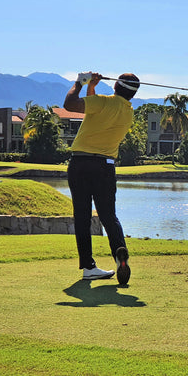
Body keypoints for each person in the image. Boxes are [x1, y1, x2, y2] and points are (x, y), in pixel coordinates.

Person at [63, 71, 139, 284]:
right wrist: (92, 88)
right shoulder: (128, 111)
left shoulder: (103, 102)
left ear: (115, 85)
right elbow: (93, 112)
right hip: (105, 167)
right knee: (108, 216)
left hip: (80, 164)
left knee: (82, 216)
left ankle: (88, 266)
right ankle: (118, 254)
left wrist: (80, 82)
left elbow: (70, 104)